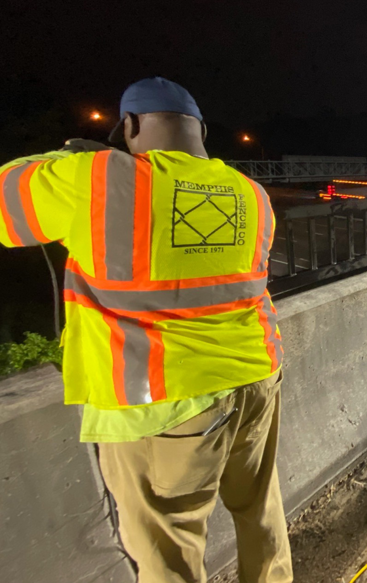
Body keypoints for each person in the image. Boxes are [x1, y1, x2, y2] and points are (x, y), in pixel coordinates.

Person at [0, 77, 292, 583]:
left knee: (167, 550)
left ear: (130, 126)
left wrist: (63, 157)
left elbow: (6, 204)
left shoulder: (94, 177)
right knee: (260, 512)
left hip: (163, 404)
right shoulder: (252, 193)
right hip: (257, 378)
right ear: (199, 128)